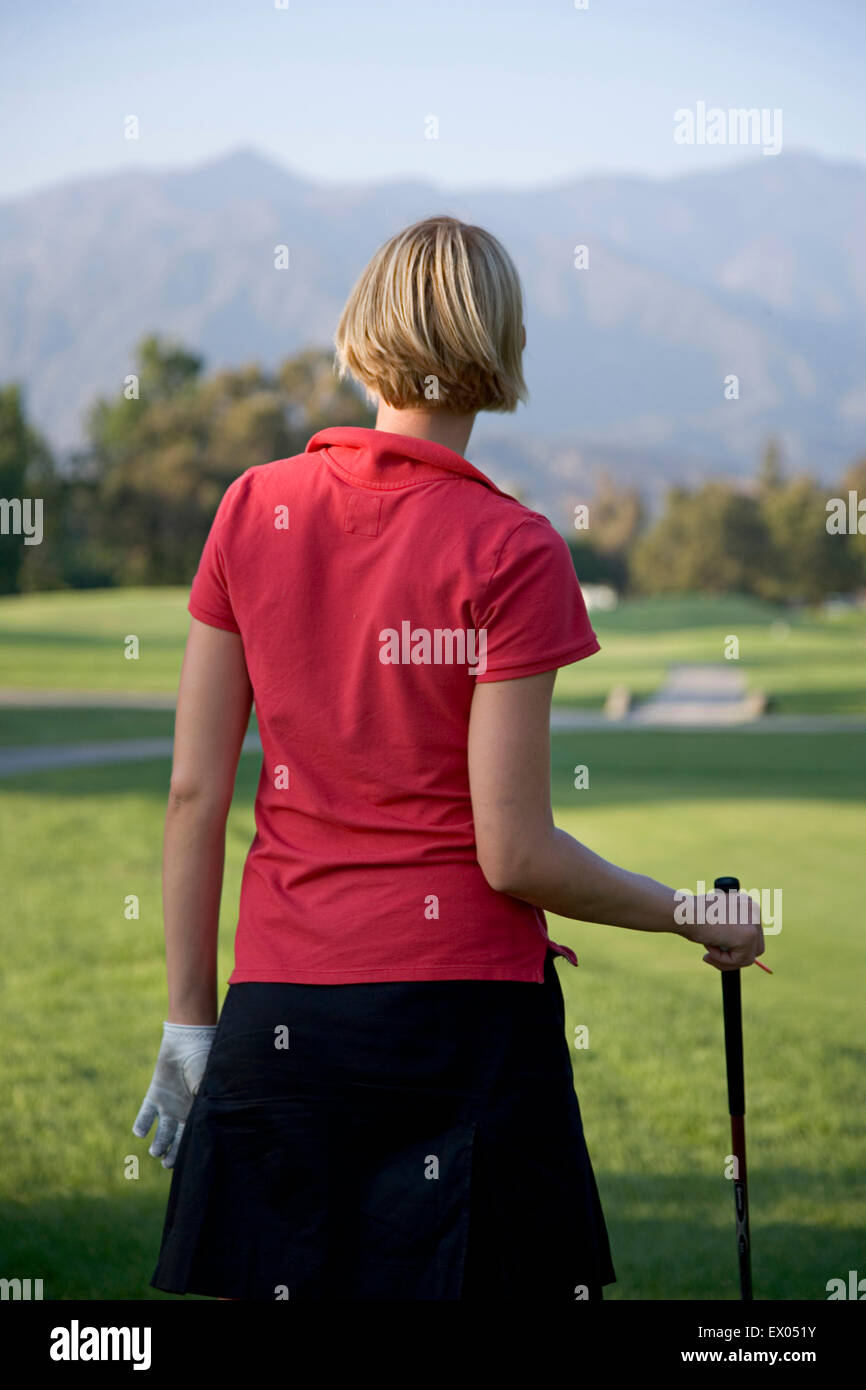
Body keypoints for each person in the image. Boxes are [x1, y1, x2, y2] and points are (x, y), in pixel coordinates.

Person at [133, 215, 764, 1302]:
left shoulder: (252, 508)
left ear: (362, 334)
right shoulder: (512, 548)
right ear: (499, 345)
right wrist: (685, 913)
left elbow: (194, 795)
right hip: (459, 1033)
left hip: (280, 1018)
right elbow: (512, 852)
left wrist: (191, 1019)